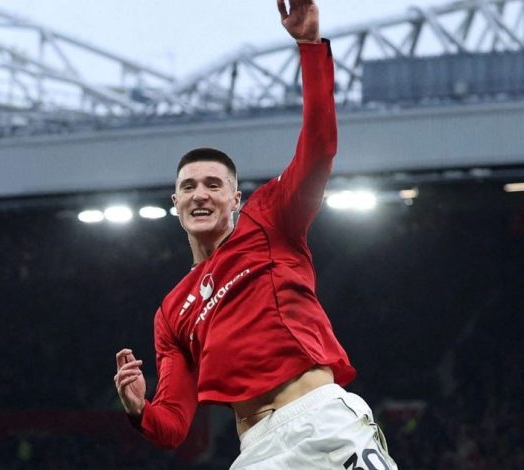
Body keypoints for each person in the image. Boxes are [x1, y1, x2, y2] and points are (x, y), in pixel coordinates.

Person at [114, 1, 398, 468]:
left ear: (236, 198)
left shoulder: (270, 220)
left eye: (213, 185)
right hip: (259, 450)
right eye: (189, 186)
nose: (200, 194)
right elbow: (173, 425)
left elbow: (320, 147)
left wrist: (310, 47)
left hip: (321, 421)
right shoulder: (171, 313)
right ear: (175, 202)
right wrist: (138, 408)